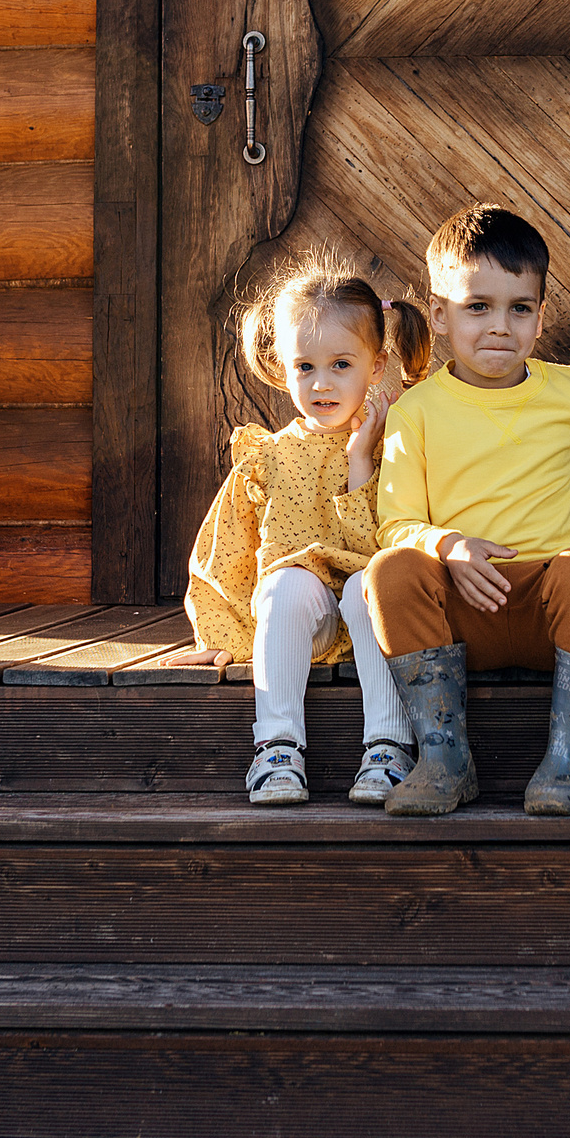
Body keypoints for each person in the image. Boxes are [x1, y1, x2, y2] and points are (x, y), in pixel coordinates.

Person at [366, 204, 570, 818]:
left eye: (519, 308)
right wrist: (448, 546)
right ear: (439, 314)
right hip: (465, 616)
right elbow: (396, 522)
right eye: (478, 306)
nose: (500, 326)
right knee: (389, 571)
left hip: (556, 611)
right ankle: (444, 758)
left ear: (540, 316)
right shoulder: (418, 414)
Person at [184, 267, 426, 806]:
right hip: (307, 622)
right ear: (283, 367)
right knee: (283, 584)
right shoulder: (267, 456)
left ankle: (389, 745)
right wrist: (218, 637)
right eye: (305, 367)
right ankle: (277, 750)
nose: (322, 383)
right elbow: (221, 553)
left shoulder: (396, 446)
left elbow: (383, 543)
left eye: (342, 365)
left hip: (375, 618)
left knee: (374, 582)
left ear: (376, 365)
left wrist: (360, 457)